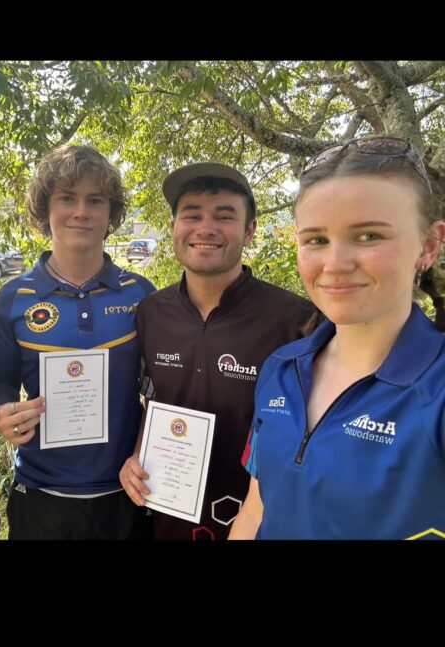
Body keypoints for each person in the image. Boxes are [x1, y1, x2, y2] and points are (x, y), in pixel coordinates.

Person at [229, 136, 445, 540]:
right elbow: (257, 508)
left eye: (368, 236)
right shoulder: (281, 369)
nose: (335, 264)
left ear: (428, 246)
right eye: (316, 240)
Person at [119, 162, 313, 540]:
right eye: (192, 215)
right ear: (174, 227)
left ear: (250, 230)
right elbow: (152, 398)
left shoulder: (297, 320)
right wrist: (137, 456)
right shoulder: (151, 313)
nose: (205, 229)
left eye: (224, 217)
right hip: (164, 515)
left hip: (258, 521)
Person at [0, 144, 155, 539]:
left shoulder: (140, 293)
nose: (81, 211)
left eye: (95, 200)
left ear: (111, 214)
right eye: (67, 198)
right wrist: (1, 414)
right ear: (46, 210)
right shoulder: (13, 299)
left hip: (127, 490)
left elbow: (157, 389)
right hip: (42, 494)